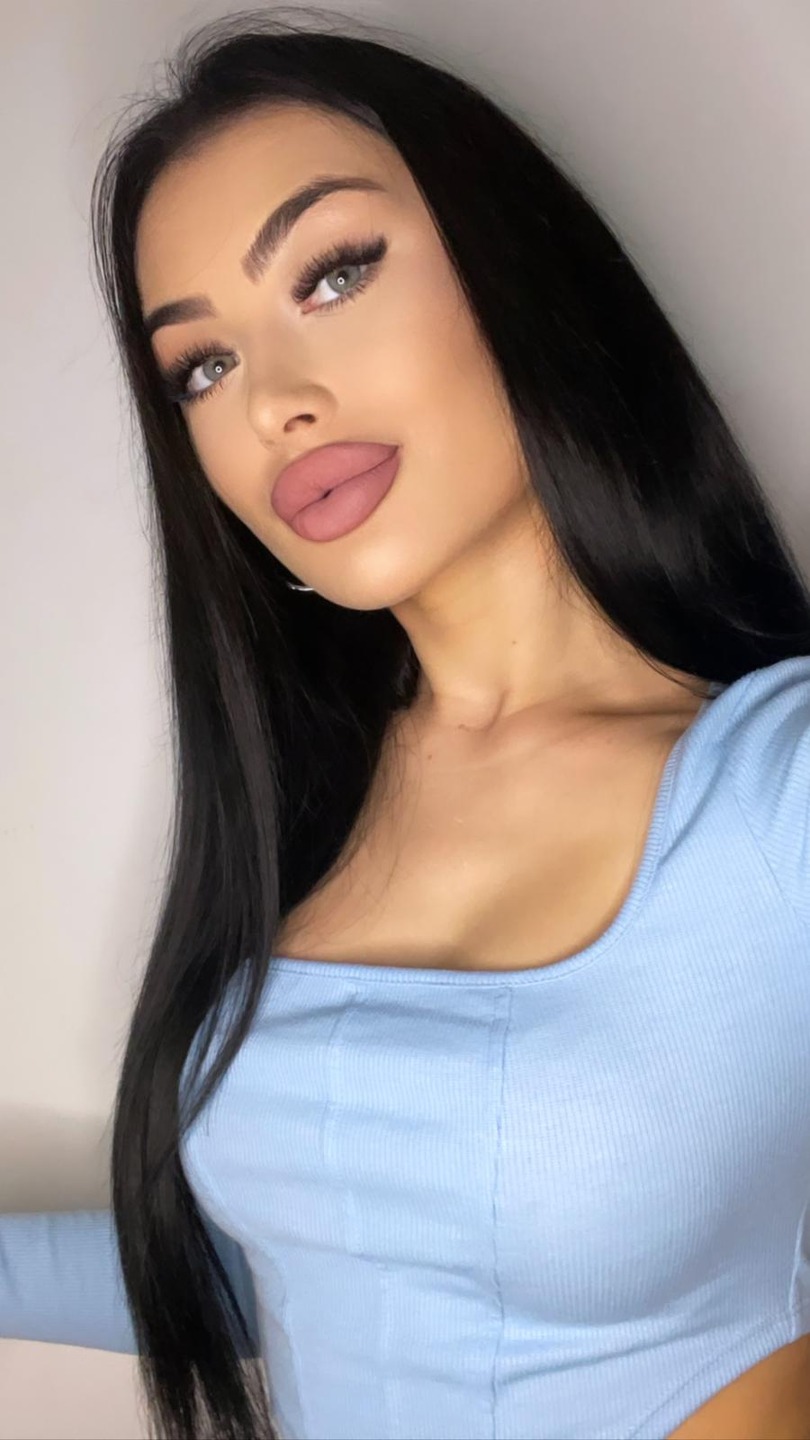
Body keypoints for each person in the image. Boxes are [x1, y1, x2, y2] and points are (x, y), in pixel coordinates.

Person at [2, 9, 810, 1440]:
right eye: (201, 368)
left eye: (332, 274)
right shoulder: (302, 807)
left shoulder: (777, 795)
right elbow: (305, 1276)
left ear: (519, 274)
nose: (273, 404)